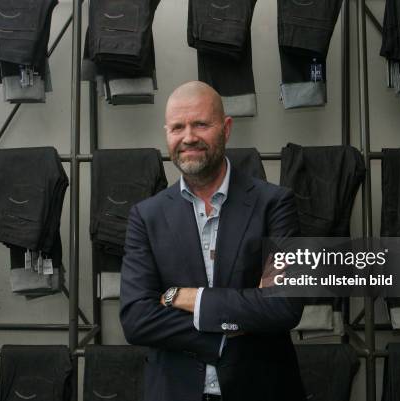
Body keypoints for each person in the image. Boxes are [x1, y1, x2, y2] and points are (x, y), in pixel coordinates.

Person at [119, 81, 305, 401]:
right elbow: (137, 320)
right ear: (167, 134)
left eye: (201, 124)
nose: (188, 137)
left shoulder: (275, 204)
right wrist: (228, 331)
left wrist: (182, 297)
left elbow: (283, 306)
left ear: (226, 128)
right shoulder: (145, 217)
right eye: (178, 127)